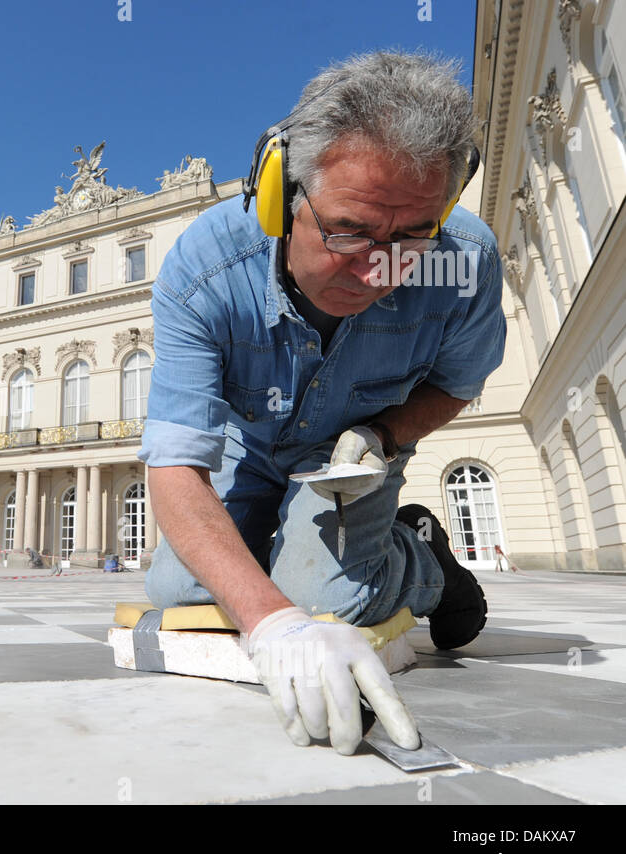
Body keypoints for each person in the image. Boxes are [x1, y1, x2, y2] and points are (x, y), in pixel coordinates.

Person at [138, 51, 505, 756]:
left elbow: (458, 383)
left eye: (409, 238)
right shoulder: (202, 269)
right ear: (281, 194)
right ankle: (359, 558)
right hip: (248, 451)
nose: (378, 267)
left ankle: (423, 559)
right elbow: (176, 466)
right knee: (182, 586)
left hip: (356, 455)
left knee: (325, 597)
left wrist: (383, 434)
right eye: (350, 231)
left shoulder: (467, 262)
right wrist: (274, 625)